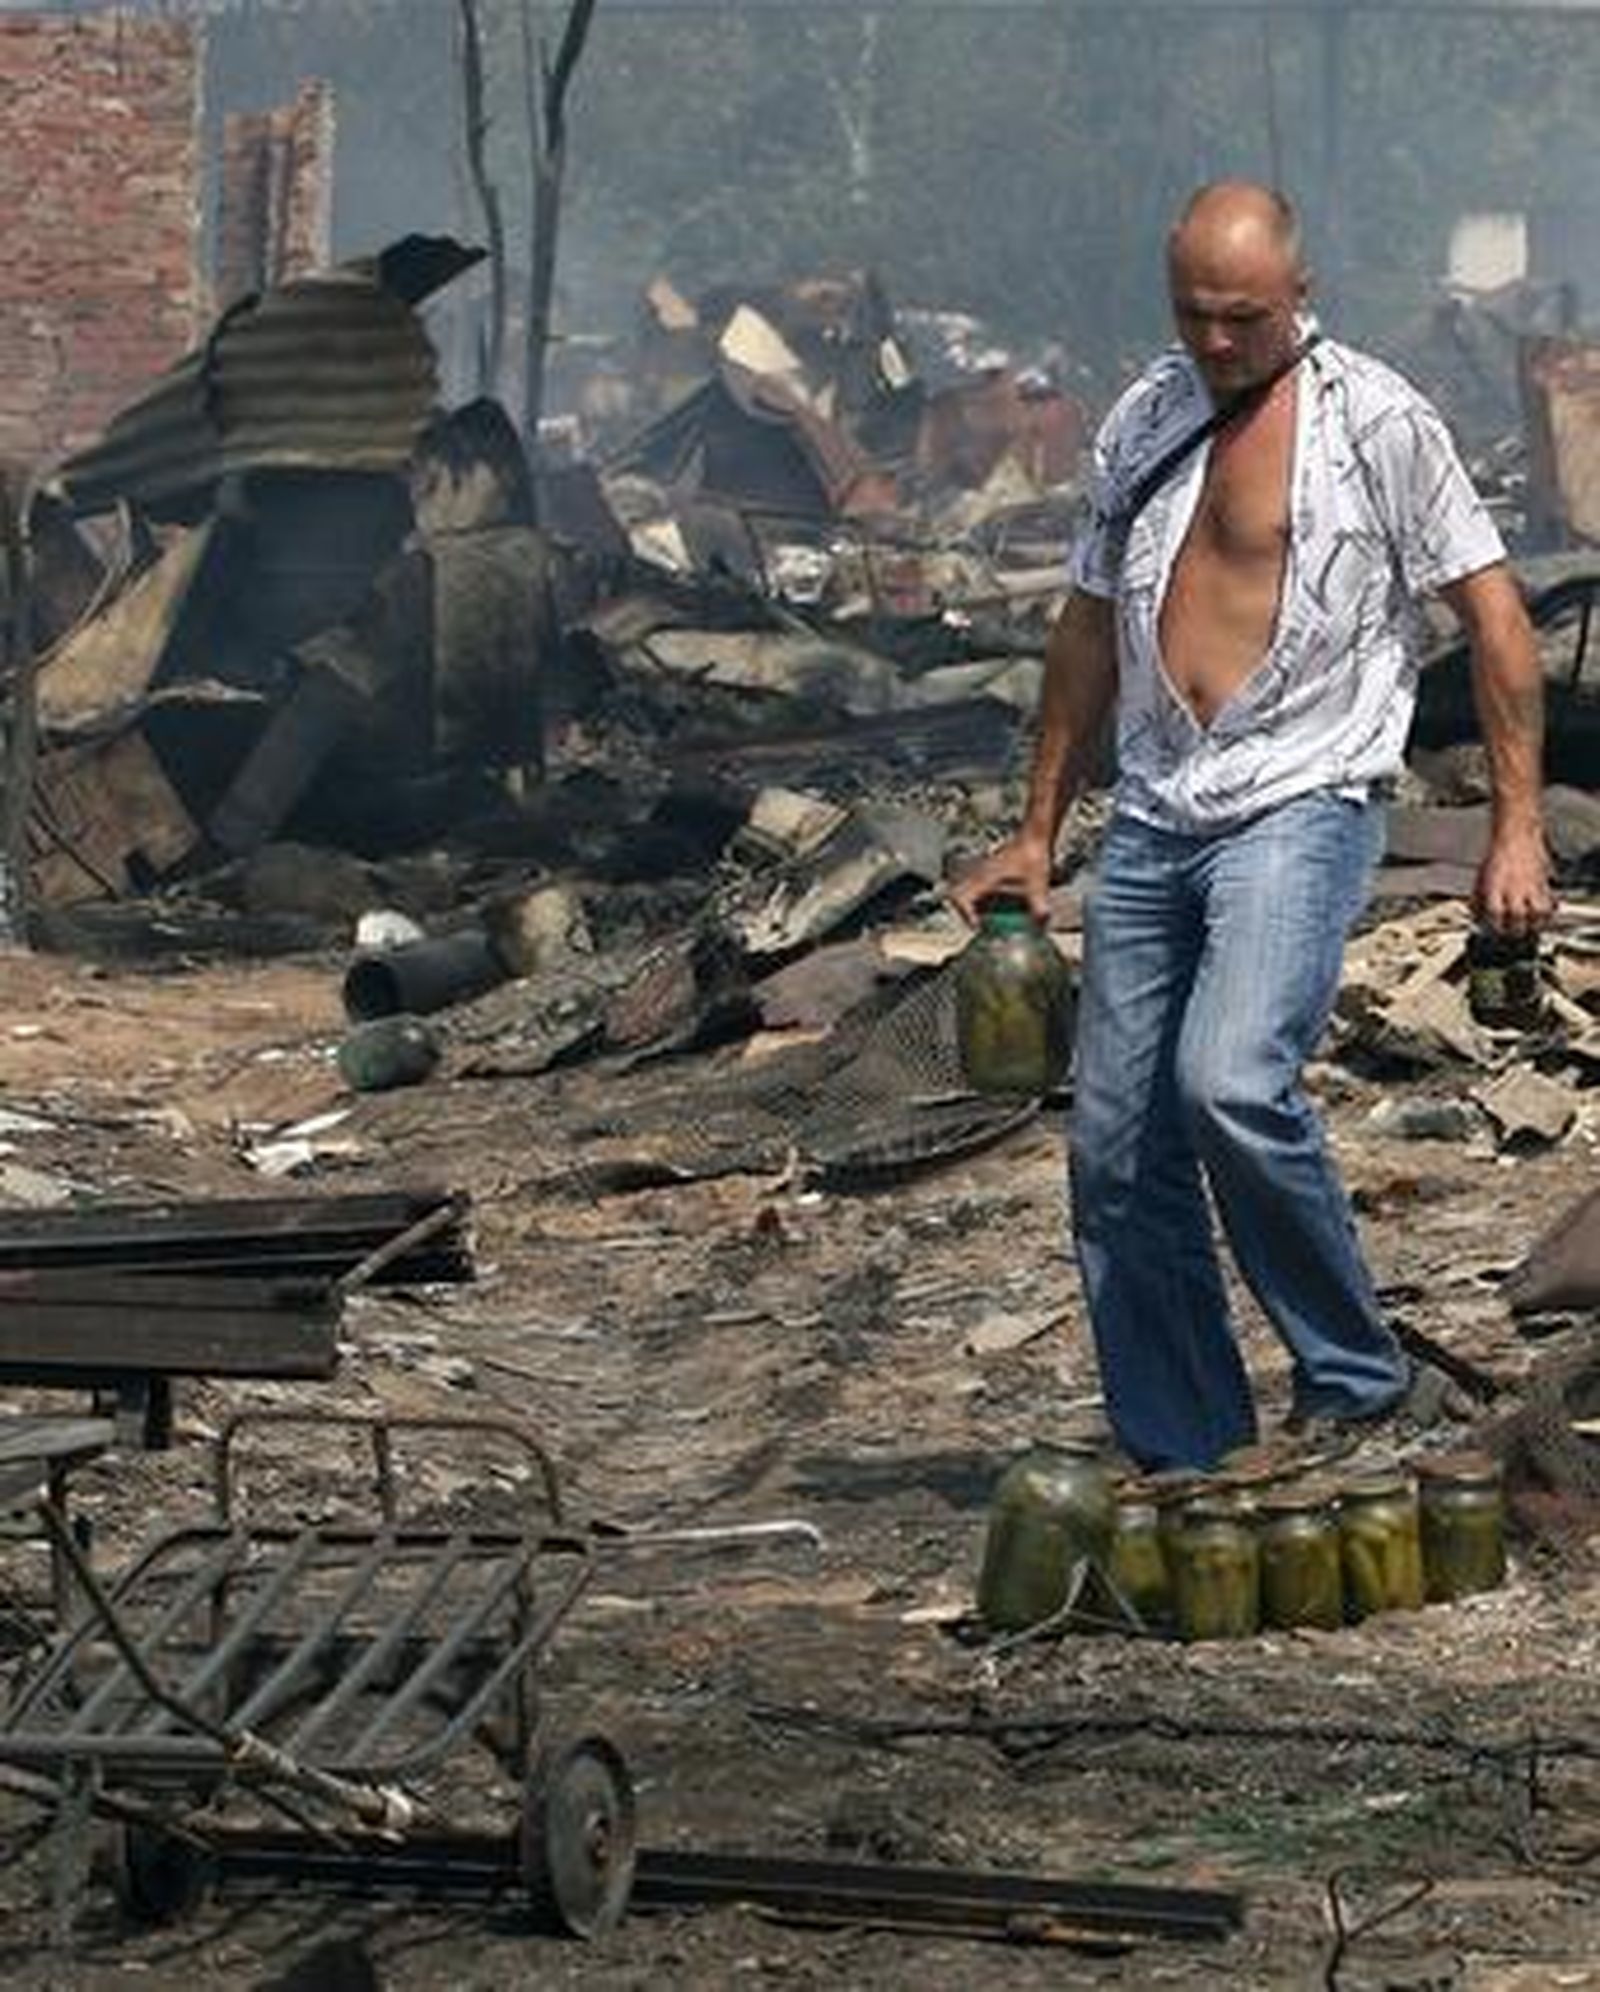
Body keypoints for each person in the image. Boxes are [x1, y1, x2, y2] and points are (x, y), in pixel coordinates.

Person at [953, 182, 1551, 1472]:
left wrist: (1516, 829)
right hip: (1160, 809)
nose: (1215, 342)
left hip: (1301, 798)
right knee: (1114, 1147)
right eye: (1192, 315)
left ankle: (1357, 1380)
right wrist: (1036, 830)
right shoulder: (1146, 415)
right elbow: (1083, 628)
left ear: (1301, 295)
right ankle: (1188, 1451)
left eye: (1242, 317)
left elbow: (1497, 622)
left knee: (1227, 1081)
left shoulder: (1380, 422)